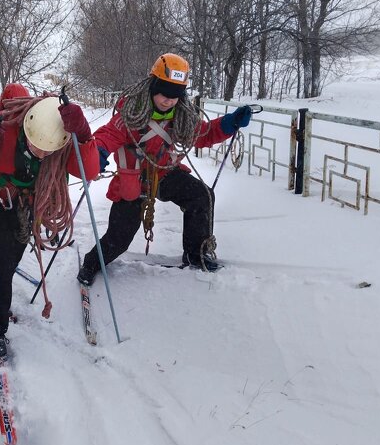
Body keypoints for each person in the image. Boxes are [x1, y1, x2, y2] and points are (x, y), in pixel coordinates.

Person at [77, 52, 253, 284]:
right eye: (165, 93)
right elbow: (109, 134)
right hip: (134, 176)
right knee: (120, 237)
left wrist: (229, 123)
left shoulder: (181, 115)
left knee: (201, 196)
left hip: (163, 172)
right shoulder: (131, 112)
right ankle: (92, 263)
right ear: (153, 86)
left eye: (176, 95)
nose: (169, 100)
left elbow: (203, 134)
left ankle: (195, 254)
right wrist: (97, 151)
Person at [0, 91, 98, 357]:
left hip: (25, 205)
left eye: (47, 149)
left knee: (9, 256)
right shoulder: (2, 124)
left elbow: (88, 171)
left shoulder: (64, 137)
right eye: (36, 145)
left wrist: (85, 135)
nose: (41, 152)